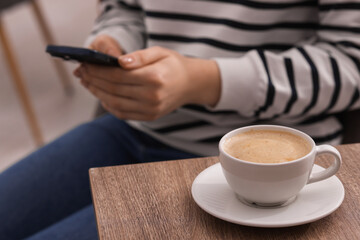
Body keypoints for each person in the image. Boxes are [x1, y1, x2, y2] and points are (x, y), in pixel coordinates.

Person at [1, 0, 359, 239]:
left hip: (270, 169)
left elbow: (350, 63)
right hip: (130, 129)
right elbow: (124, 8)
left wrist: (203, 81)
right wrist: (111, 43)